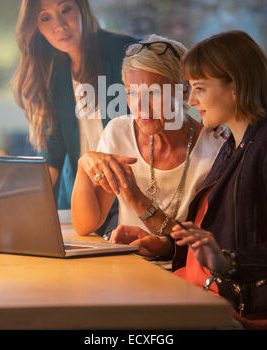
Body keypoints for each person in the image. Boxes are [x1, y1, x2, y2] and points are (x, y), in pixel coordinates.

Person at [126, 30, 267, 330]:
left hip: (238, 311)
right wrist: (167, 245)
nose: (191, 99)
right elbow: (209, 233)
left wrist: (229, 261)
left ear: (235, 86)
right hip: (201, 292)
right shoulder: (234, 144)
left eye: (199, 88)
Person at [12, 0, 138, 235]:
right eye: (45, 18)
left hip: (130, 196)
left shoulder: (127, 53)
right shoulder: (50, 73)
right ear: (36, 28)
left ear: (81, 6)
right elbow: (52, 158)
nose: (59, 25)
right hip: (80, 204)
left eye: (65, 9)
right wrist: (15, 209)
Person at [71, 34, 225, 244]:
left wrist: (137, 200)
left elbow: (208, 245)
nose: (141, 106)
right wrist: (83, 165)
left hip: (181, 273)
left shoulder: (215, 149)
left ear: (184, 90)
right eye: (132, 93)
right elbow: (85, 225)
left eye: (154, 92)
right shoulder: (118, 132)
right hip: (129, 267)